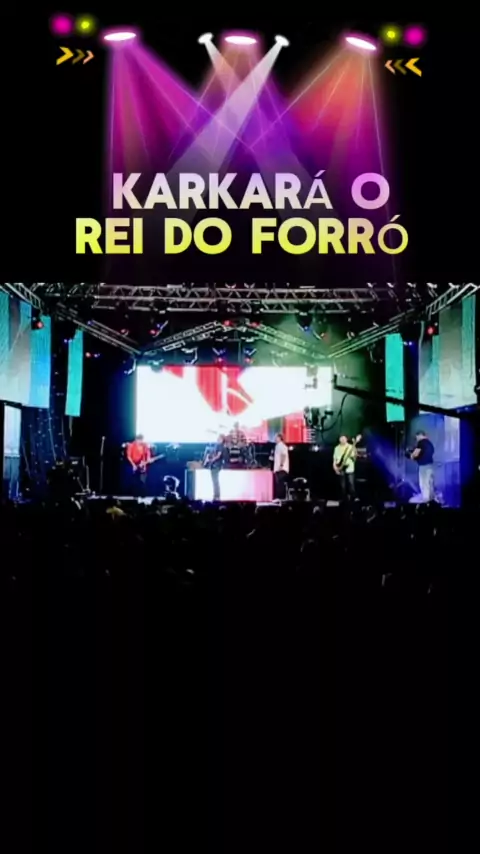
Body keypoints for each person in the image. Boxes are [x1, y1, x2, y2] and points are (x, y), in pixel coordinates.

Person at [410, 430, 435, 502]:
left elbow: (415, 454)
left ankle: (426, 501)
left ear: (420, 435)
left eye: (417, 437)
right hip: (430, 466)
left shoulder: (421, 443)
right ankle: (431, 500)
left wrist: (411, 455)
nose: (416, 439)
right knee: (430, 484)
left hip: (424, 467)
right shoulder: (430, 443)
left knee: (424, 484)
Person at [333, 435, 357, 501]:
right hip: (340, 468)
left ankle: (353, 498)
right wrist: (335, 467)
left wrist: (354, 454)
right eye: (341, 438)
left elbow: (355, 457)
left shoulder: (351, 447)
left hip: (350, 468)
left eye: (344, 438)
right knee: (342, 485)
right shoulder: (336, 448)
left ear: (346, 439)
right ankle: (343, 499)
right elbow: (334, 459)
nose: (342, 440)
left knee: (351, 484)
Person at [204, 435, 226, 501]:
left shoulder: (220, 446)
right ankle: (216, 495)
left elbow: (218, 456)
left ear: (222, 440)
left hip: (216, 465)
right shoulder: (217, 446)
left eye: (219, 438)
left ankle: (216, 496)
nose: (217, 439)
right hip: (214, 465)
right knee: (215, 481)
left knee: (215, 481)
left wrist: (211, 460)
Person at [273, 433, 289, 500]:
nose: (275, 439)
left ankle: (280, 497)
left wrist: (281, 465)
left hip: (282, 469)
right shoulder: (277, 446)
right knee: (278, 483)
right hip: (277, 468)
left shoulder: (282, 446)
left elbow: (283, 455)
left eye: (276, 437)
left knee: (280, 483)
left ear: (279, 438)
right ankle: (279, 497)